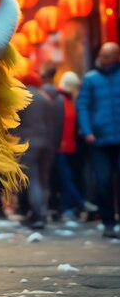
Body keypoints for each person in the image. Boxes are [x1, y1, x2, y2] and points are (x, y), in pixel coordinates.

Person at [76, 42, 120, 239]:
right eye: (101, 55)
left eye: (107, 56)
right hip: (99, 140)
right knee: (102, 182)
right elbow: (83, 106)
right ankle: (108, 221)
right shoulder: (91, 79)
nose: (102, 59)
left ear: (116, 57)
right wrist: (87, 131)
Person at [54, 71, 97, 221]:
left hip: (69, 146)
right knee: (66, 178)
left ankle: (68, 208)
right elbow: (57, 124)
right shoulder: (59, 99)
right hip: (60, 146)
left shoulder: (68, 100)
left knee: (68, 177)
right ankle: (77, 203)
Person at [17, 72, 55, 229]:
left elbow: (13, 123)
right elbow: (53, 124)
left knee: (32, 180)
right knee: (44, 179)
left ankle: (38, 216)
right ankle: (42, 213)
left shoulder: (21, 98)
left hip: (27, 144)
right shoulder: (46, 98)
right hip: (46, 143)